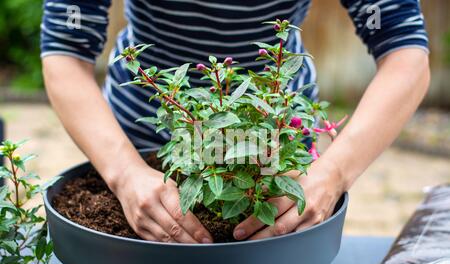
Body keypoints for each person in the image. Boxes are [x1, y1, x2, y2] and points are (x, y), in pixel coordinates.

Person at [41, 0, 430, 243]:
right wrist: (125, 174)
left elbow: (406, 54)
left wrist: (332, 174)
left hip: (276, 157)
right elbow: (65, 49)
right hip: (142, 153)